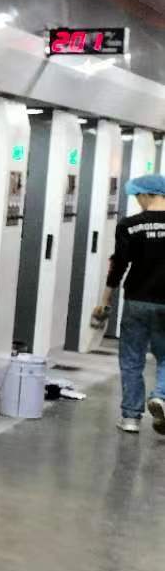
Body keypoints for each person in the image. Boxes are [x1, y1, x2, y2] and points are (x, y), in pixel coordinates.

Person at [91, 173, 165, 435]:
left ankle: (131, 417)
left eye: (137, 196)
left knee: (132, 359)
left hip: (137, 301)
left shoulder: (129, 225)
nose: (137, 201)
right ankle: (161, 396)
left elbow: (119, 265)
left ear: (147, 194)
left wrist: (105, 300)